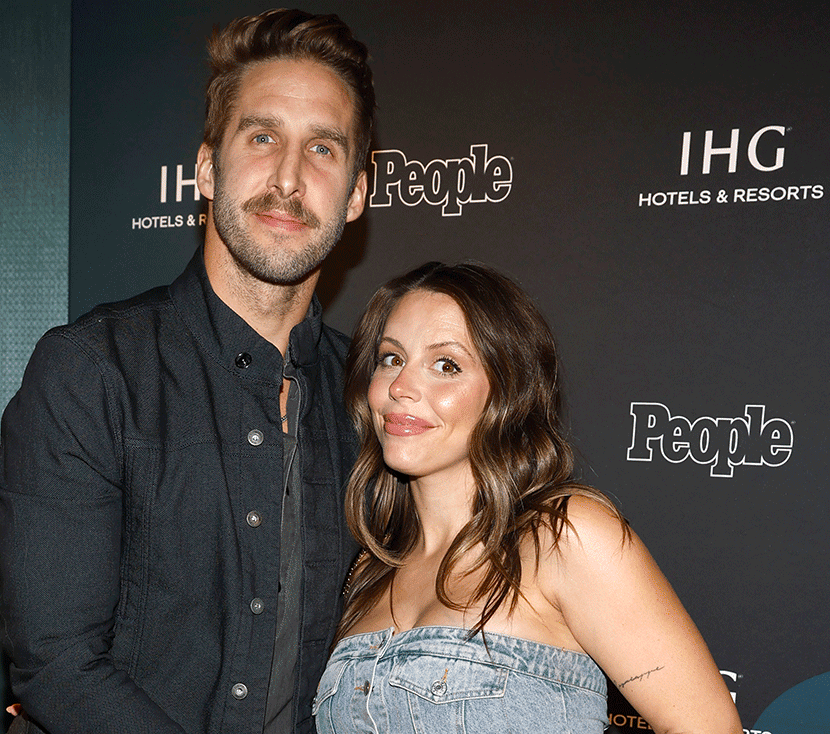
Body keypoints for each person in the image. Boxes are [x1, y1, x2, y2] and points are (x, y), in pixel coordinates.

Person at [0, 9, 374, 734]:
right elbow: (59, 665)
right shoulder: (92, 373)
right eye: (262, 137)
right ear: (205, 168)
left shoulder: (373, 395)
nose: (289, 178)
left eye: (323, 149)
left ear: (356, 192)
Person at [314, 262, 742, 733]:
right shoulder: (367, 566)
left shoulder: (563, 537)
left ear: (507, 391)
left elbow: (706, 726)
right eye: (391, 358)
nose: (400, 387)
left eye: (446, 365)